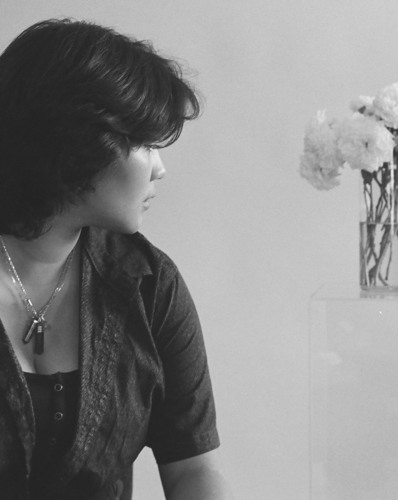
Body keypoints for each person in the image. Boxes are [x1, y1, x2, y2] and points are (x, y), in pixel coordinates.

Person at [0, 18, 233, 500]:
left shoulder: (149, 283)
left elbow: (193, 469)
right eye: (145, 144)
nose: (160, 169)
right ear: (77, 143)